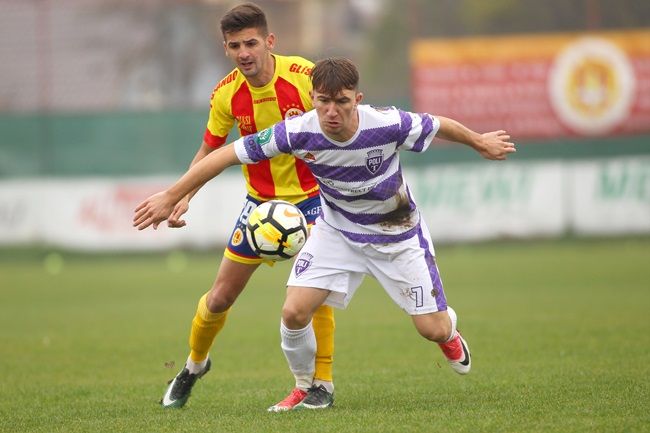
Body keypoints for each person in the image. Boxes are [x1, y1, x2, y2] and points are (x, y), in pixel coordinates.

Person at [133, 57, 516, 410]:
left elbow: (438, 124)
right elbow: (225, 155)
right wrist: (172, 194)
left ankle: (448, 332)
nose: (332, 111)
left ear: (357, 99)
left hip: (397, 235)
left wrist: (479, 141)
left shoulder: (386, 124)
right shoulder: (297, 132)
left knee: (431, 329)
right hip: (337, 232)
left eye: (342, 102)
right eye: (323, 102)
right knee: (294, 312)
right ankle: (307, 386)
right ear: (313, 98)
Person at [154, 3, 335, 411]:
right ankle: (194, 366)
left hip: (312, 201)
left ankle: (321, 383)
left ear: (269, 41)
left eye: (251, 43)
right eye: (235, 46)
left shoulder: (304, 77)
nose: (244, 53)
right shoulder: (226, 94)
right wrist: (183, 195)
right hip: (260, 208)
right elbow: (209, 150)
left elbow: (337, 124)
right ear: (226, 48)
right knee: (219, 297)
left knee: (314, 294)